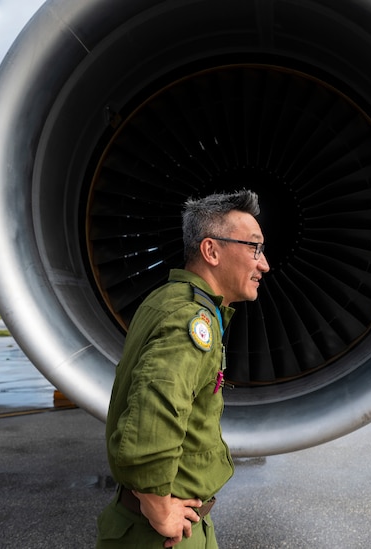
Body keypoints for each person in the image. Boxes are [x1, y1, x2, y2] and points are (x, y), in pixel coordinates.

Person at [96, 189, 270, 548]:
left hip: (175, 526)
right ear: (211, 250)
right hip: (163, 535)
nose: (263, 263)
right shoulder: (191, 320)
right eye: (254, 247)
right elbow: (152, 415)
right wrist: (160, 510)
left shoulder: (170, 300)